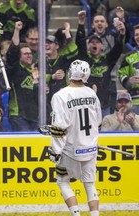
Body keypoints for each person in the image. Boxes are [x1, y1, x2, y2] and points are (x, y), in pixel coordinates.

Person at [48, 59, 102, 216]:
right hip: (90, 149)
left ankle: (76, 214)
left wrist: (56, 151)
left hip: (70, 150)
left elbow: (59, 128)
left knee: (63, 181)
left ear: (70, 73)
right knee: (90, 184)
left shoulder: (60, 95)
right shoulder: (92, 94)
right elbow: (98, 123)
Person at [6, 21, 39, 131]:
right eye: (25, 54)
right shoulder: (15, 70)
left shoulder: (35, 71)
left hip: (34, 116)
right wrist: (16, 31)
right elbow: (13, 52)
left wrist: (37, 82)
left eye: (30, 53)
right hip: (19, 115)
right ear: (19, 57)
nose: (29, 56)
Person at [118, 24, 139, 115]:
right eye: (136, 35)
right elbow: (121, 75)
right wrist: (129, 80)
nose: (138, 37)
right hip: (134, 103)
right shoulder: (128, 56)